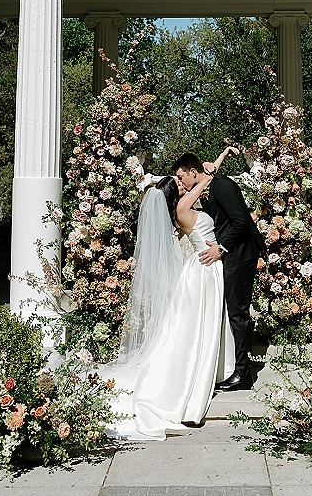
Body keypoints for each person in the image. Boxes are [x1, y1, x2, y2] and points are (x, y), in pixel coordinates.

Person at [100, 147, 237, 441]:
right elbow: (202, 180)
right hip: (202, 270)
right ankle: (189, 380)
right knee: (196, 326)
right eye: (177, 182)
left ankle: (205, 369)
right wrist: (212, 166)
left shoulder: (184, 208)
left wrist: (221, 156)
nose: (182, 183)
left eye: (180, 179)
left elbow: (201, 177)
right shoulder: (182, 209)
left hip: (206, 268)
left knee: (201, 325)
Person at [173, 152, 266, 391]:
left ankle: (243, 374)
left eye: (182, 176)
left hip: (240, 255)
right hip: (229, 256)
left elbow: (241, 222)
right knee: (232, 311)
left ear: (193, 172)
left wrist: (221, 249)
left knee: (238, 312)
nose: (181, 182)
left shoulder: (222, 186)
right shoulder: (211, 185)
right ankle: (234, 366)